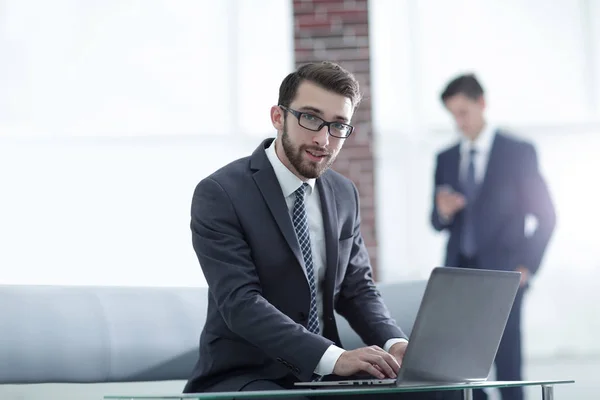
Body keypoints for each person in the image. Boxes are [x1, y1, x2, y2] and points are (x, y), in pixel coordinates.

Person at [183, 61, 446, 399]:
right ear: (279, 117)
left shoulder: (343, 193)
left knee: (434, 393)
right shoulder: (222, 193)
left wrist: (395, 343)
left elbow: (357, 290)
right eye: (310, 118)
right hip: (244, 375)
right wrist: (334, 358)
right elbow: (241, 303)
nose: (323, 139)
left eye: (338, 125)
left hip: (323, 378)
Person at [431, 74, 556, 400]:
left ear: (482, 103)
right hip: (458, 276)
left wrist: (526, 266)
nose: (458, 122)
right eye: (452, 115)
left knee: (508, 364)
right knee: (455, 365)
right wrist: (442, 211)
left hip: (505, 274)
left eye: (463, 112)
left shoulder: (518, 152)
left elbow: (546, 216)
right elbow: (436, 222)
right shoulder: (445, 158)